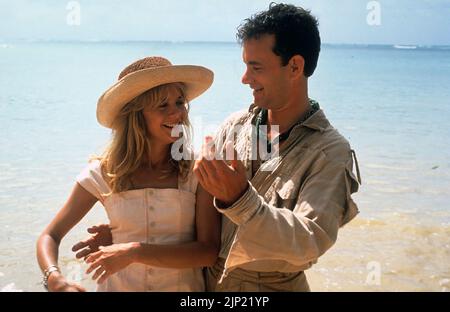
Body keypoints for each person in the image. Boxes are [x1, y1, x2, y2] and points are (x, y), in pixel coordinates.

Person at [73, 3, 361, 292]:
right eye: (245, 65)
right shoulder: (235, 127)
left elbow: (310, 241)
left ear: (295, 66)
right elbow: (197, 219)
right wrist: (129, 229)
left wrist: (240, 198)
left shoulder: (330, 152)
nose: (245, 78)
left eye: (255, 67)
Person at [36, 56, 221, 292]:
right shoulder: (103, 173)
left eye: (180, 102)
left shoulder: (196, 170)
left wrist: (134, 251)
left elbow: (207, 252)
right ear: (136, 116)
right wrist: (56, 280)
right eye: (163, 105)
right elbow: (50, 235)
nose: (177, 114)